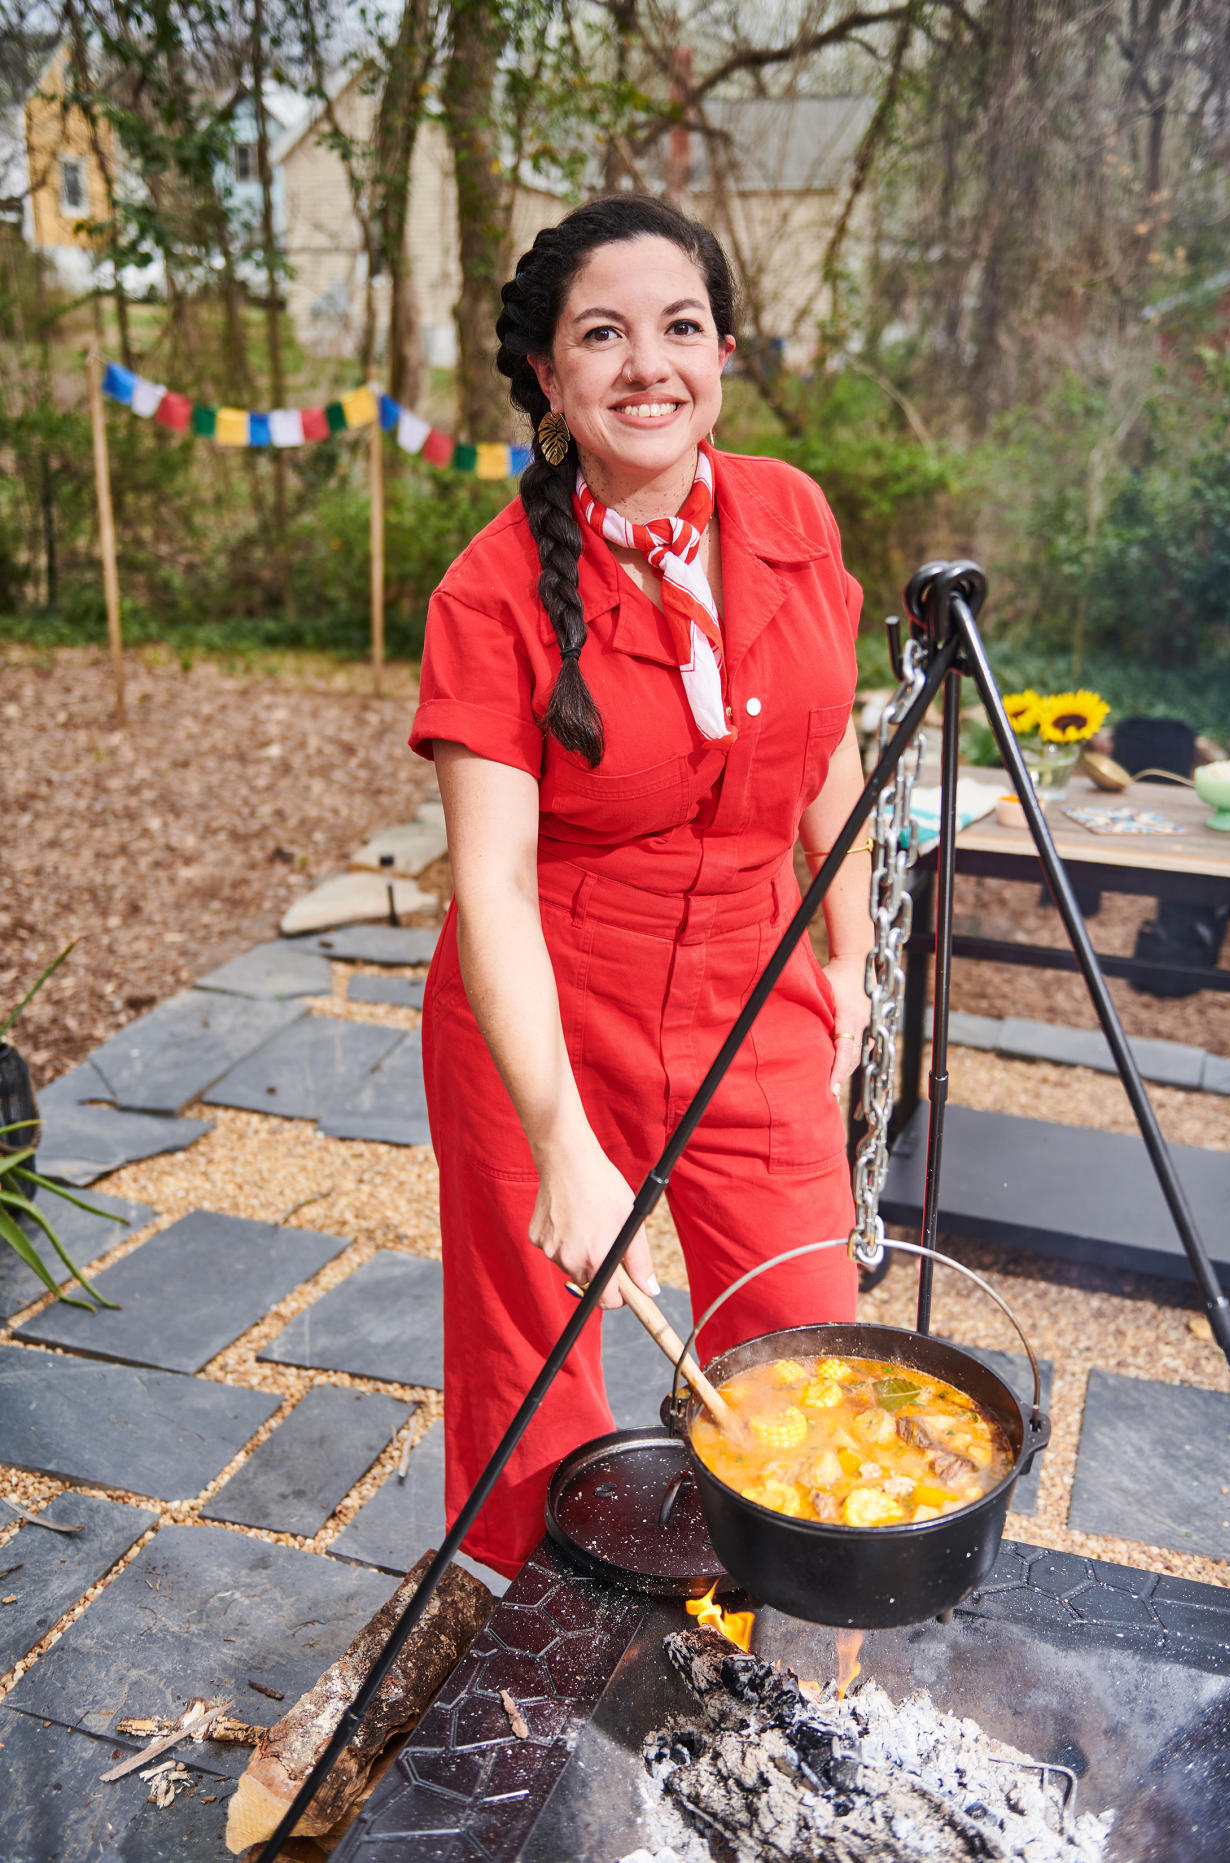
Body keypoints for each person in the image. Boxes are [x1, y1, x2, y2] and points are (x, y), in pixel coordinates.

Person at [411, 195, 872, 1579]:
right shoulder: (487, 596)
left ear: (723, 350)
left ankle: (795, 1645)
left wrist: (847, 959)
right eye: (600, 336)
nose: (645, 366)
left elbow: (827, 749)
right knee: (536, 1367)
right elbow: (487, 886)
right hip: (545, 996)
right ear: (550, 381)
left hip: (753, 972)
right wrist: (559, 1143)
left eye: (676, 327)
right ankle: (534, 1662)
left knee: (803, 1332)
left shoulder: (790, 515)